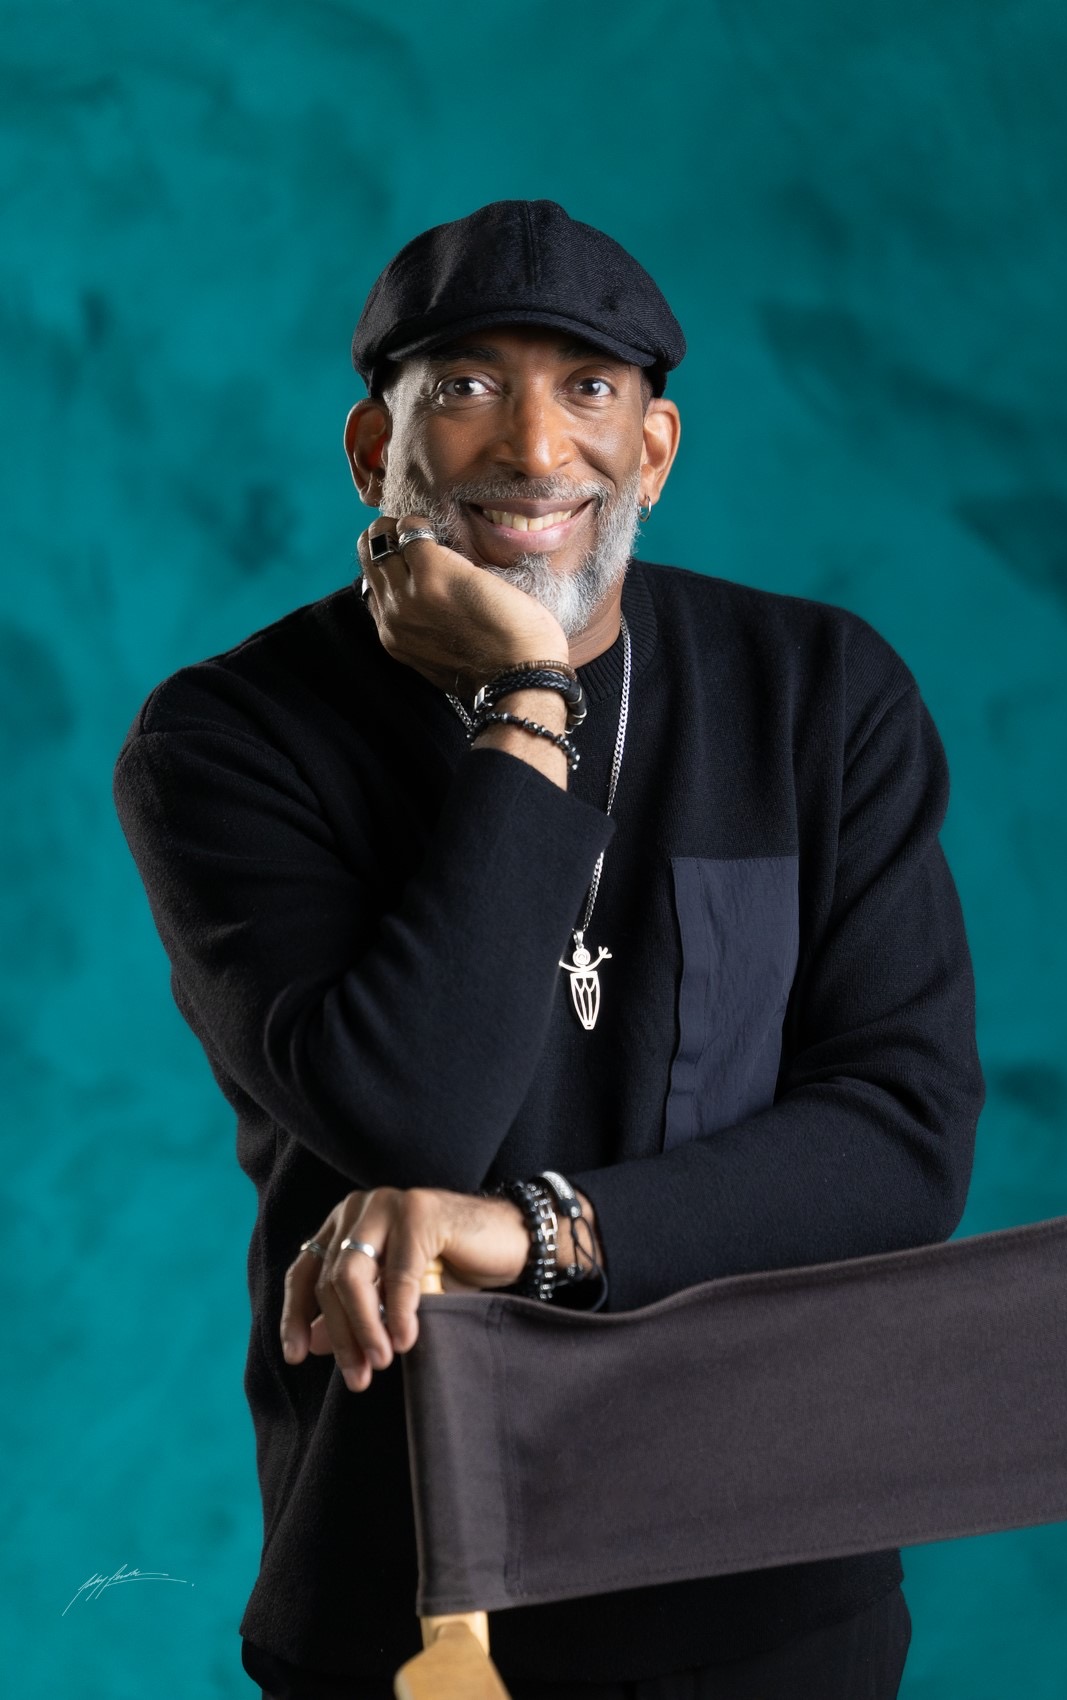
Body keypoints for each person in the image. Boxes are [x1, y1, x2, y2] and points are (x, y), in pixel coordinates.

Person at [112, 199, 984, 1700]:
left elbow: (900, 1143)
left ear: (653, 450)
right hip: (420, 1592)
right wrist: (528, 697)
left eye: (588, 388)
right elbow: (411, 1113)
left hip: (773, 1587)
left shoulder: (820, 694)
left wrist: (539, 1232)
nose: (533, 446)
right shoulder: (227, 740)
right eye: (463, 387)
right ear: (370, 451)